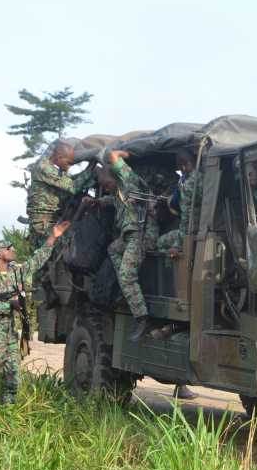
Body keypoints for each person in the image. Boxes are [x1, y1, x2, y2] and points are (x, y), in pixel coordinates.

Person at [0, 221, 70, 404]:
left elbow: (37, 261)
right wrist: (8, 305)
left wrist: (53, 237)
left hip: (9, 334)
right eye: (8, 249)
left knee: (13, 382)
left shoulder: (15, 272)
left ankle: (6, 416)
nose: (12, 250)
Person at [84, 150, 158, 342]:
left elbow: (112, 154)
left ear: (116, 176)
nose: (106, 189)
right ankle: (126, 291)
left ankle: (142, 319)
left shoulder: (129, 180)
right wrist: (97, 201)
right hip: (129, 237)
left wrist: (128, 154)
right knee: (112, 249)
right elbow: (113, 200)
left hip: (141, 235)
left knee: (126, 276)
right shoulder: (120, 192)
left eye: (106, 184)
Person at [26, 141, 96, 308]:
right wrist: (90, 169)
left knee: (41, 253)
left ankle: (50, 291)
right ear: (58, 157)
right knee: (70, 249)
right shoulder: (45, 168)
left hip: (46, 220)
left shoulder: (56, 169)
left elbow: (68, 186)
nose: (69, 166)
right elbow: (72, 187)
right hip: (42, 222)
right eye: (68, 162)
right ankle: (78, 297)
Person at [158, 149, 202, 259]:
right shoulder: (205, 174)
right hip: (203, 226)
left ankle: (173, 274)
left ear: (183, 167)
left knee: (160, 242)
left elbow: (187, 217)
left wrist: (178, 245)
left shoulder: (187, 184)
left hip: (194, 230)